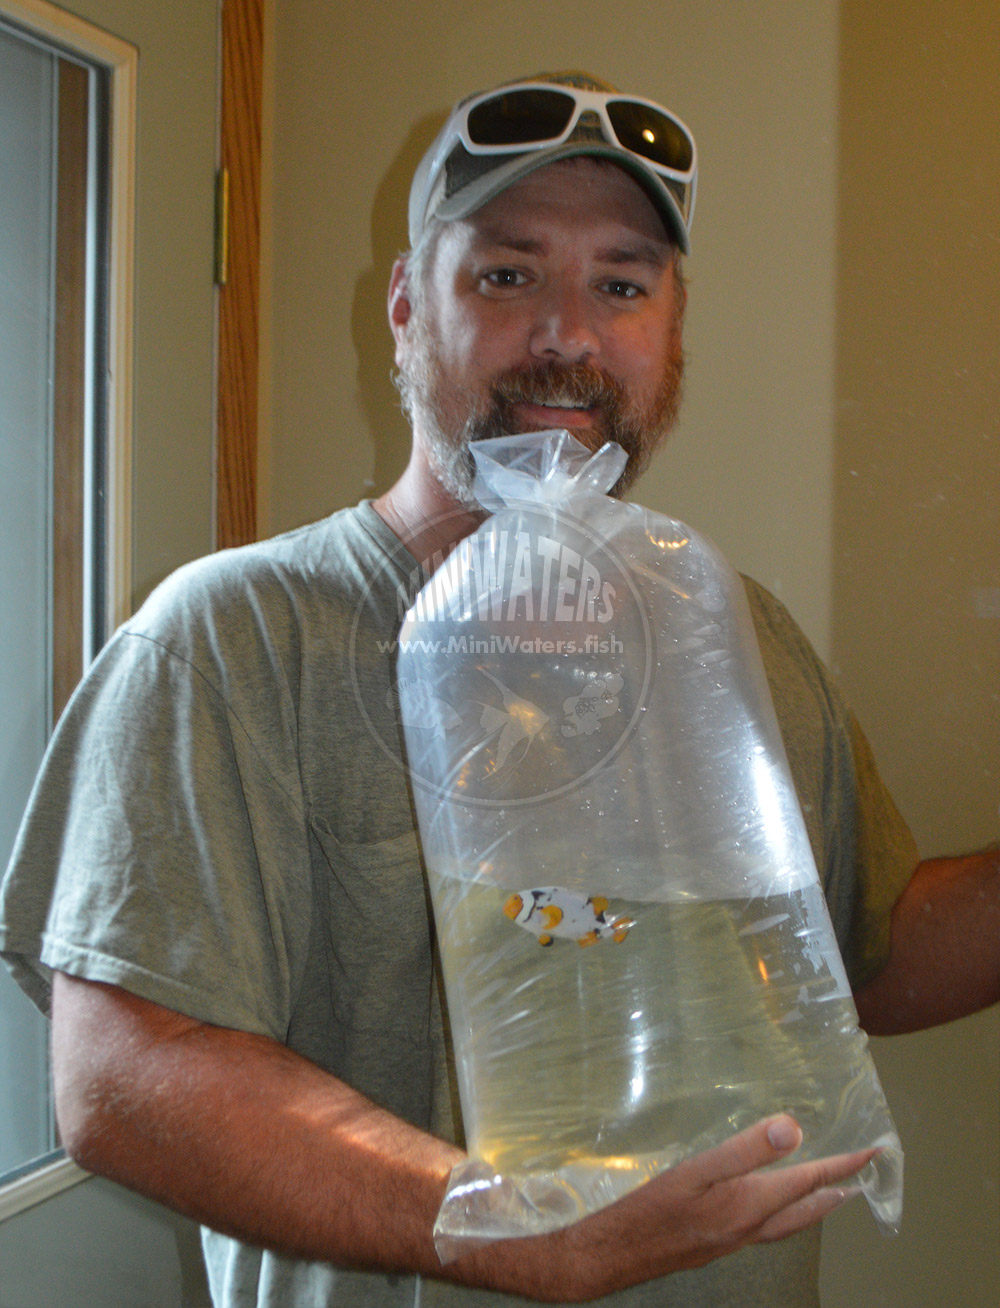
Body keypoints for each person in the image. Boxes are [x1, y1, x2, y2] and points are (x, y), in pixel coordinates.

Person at [1, 71, 997, 1308]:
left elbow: (867, 950)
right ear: (408, 308)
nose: (567, 337)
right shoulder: (231, 642)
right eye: (506, 275)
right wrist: (494, 1229)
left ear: (671, 334)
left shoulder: (731, 634)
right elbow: (120, 1074)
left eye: (621, 286)